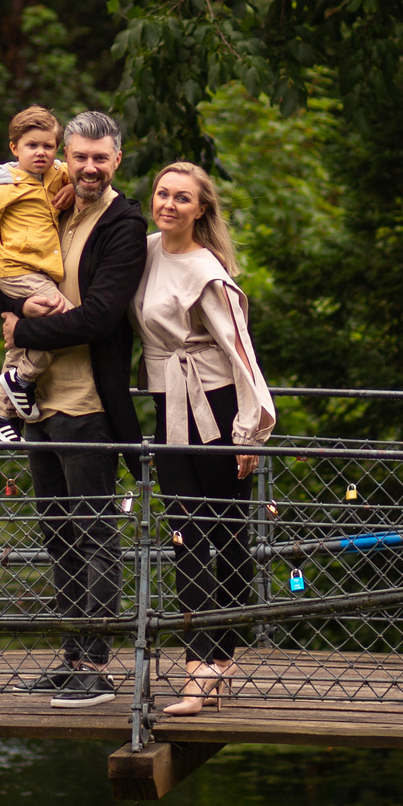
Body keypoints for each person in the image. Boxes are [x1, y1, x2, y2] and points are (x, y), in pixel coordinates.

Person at [1, 109, 147, 708]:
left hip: (88, 401)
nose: (88, 167)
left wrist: (25, 332)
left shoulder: (123, 223)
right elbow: (18, 277)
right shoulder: (51, 204)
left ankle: (95, 664)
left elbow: (102, 317)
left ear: (117, 158)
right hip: (38, 401)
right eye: (78, 156)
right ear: (67, 153)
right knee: (57, 531)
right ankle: (70, 656)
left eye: (99, 158)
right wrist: (11, 312)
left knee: (93, 530)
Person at [133, 161, 275, 717]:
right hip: (169, 403)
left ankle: (218, 661)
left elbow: (242, 350)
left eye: (182, 198)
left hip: (217, 407)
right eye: (162, 194)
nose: (168, 204)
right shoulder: (144, 251)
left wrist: (250, 431)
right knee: (185, 533)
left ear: (200, 210)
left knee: (229, 534)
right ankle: (201, 666)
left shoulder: (206, 271)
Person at [0, 104, 70, 440]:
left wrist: (74, 188)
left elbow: (86, 176)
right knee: (61, 319)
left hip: (42, 270)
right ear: (14, 148)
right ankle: (22, 379)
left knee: (21, 343)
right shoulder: (2, 185)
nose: (41, 153)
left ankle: (2, 415)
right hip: (16, 268)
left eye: (48, 146)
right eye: (32, 146)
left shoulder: (58, 174)